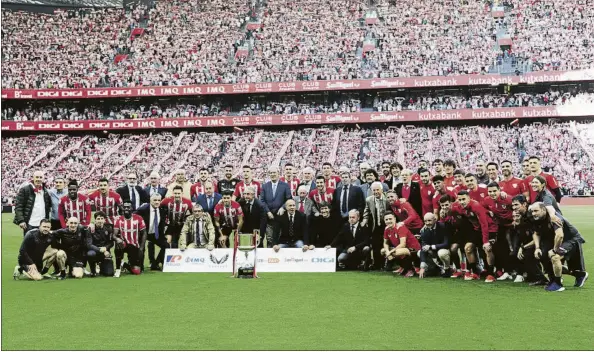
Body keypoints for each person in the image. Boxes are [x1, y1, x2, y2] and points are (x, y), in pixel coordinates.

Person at [529, 202, 588, 291]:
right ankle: (579, 275)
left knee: (555, 257)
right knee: (544, 256)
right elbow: (536, 233)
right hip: (558, 239)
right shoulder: (536, 218)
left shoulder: (555, 218)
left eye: (536, 211)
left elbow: (560, 235)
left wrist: (554, 250)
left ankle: (558, 284)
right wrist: (537, 248)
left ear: (544, 210)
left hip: (571, 239)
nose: (533, 213)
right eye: (532, 211)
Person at [450, 190, 497, 282]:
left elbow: (484, 224)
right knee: (468, 248)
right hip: (476, 230)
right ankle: (475, 272)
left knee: (487, 248)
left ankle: (491, 274)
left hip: (490, 228)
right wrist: (444, 213)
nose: (462, 202)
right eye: (460, 200)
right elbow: (450, 212)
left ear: (469, 198)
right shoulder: (457, 206)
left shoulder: (475, 206)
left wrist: (485, 241)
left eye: (464, 199)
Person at [511, 195, 547, 285]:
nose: (514, 207)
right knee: (519, 253)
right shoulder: (523, 216)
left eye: (516, 205)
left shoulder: (531, 215)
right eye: (513, 205)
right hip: (535, 241)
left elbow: (537, 234)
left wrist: (523, 247)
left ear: (524, 204)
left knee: (528, 254)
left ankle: (542, 279)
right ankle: (532, 275)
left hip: (544, 240)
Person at [483, 182, 514, 280]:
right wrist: (489, 212)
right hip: (501, 227)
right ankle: (507, 271)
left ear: (499, 190)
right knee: (502, 249)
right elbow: (482, 208)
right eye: (490, 191)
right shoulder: (487, 200)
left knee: (513, 248)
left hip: (512, 226)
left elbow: (518, 207)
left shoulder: (508, 199)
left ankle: (518, 271)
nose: (492, 193)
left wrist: (516, 221)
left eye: (494, 191)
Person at [113, 201, 147, 277]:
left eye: (128, 207)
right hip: (124, 244)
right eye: (124, 207)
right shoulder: (119, 219)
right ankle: (118, 269)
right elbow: (114, 235)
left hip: (134, 245)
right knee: (118, 245)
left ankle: (124, 264)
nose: (126, 209)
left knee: (137, 271)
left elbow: (144, 233)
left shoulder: (138, 218)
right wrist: (117, 239)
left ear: (132, 208)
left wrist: (141, 247)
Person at [361, 181, 391, 270]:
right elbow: (366, 211)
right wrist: (364, 220)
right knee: (375, 246)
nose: (376, 192)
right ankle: (377, 265)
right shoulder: (369, 200)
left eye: (377, 190)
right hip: (376, 226)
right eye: (374, 190)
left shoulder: (387, 198)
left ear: (382, 190)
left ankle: (388, 264)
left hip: (387, 225)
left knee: (387, 245)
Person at [135, 193, 168, 270]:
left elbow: (162, 224)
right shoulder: (142, 210)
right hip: (143, 233)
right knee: (141, 248)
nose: (157, 202)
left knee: (166, 245)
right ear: (150, 200)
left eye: (159, 200)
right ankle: (140, 266)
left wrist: (163, 236)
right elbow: (133, 217)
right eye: (155, 200)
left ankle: (155, 264)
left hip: (154, 233)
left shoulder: (162, 210)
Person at [260, 166, 292, 246]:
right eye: (271, 173)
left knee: (279, 238)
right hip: (268, 217)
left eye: (274, 172)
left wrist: (283, 207)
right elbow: (262, 201)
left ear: (278, 173)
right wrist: (268, 212)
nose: (272, 174)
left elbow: (289, 199)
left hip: (280, 216)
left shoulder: (285, 185)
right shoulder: (265, 186)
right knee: (269, 238)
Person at [381, 212, 421, 277]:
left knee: (396, 252)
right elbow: (385, 243)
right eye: (386, 219)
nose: (388, 221)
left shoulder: (400, 227)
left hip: (414, 249)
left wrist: (390, 252)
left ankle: (410, 269)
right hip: (402, 248)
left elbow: (402, 244)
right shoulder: (386, 229)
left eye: (390, 219)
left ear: (394, 219)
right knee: (383, 251)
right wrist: (388, 252)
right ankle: (402, 266)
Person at [14, 170, 51, 236]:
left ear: (43, 179)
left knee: (41, 245)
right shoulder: (25, 190)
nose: (38, 179)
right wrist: (21, 221)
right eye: (37, 177)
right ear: (33, 178)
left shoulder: (45, 191)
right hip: (30, 224)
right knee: (29, 245)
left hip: (43, 224)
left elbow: (48, 206)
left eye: (40, 177)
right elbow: (18, 206)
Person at [418, 213, 452, 278]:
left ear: (435, 220)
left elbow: (446, 244)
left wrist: (431, 247)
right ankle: (433, 269)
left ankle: (447, 269)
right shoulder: (424, 230)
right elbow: (423, 247)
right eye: (425, 221)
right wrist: (422, 266)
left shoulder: (443, 226)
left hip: (445, 250)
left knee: (442, 253)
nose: (427, 223)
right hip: (433, 252)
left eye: (429, 220)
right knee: (419, 253)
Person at [86, 212, 114, 277]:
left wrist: (106, 248)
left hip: (105, 253)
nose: (100, 220)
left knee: (109, 274)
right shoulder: (90, 229)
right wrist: (101, 250)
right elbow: (89, 244)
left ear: (104, 220)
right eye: (98, 219)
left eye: (102, 218)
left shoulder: (109, 228)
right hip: (94, 251)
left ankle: (101, 267)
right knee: (90, 254)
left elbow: (111, 243)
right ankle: (93, 271)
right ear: (95, 220)